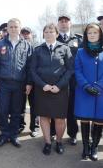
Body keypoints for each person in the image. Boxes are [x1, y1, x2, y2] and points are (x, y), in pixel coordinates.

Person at [0, 18, 32, 148]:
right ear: (7, 29)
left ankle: (13, 135)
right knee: (2, 110)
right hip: (3, 84)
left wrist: (29, 83)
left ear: (20, 28)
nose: (13, 29)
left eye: (15, 27)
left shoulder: (27, 45)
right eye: (11, 27)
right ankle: (4, 134)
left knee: (16, 111)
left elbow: (30, 66)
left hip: (19, 85)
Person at [31, 23, 73, 155]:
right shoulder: (37, 50)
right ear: (43, 34)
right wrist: (43, 85)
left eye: (51, 31)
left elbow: (70, 69)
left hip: (60, 90)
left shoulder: (65, 48)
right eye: (46, 32)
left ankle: (59, 141)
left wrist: (59, 86)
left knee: (60, 118)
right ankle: (48, 142)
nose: (49, 34)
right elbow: (32, 70)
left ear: (56, 33)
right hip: (42, 89)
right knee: (44, 117)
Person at [50, 15, 82, 145]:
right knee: (54, 107)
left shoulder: (79, 40)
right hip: (56, 80)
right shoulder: (53, 38)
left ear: (70, 23)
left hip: (73, 80)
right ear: (58, 24)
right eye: (61, 21)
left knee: (71, 108)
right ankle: (52, 132)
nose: (63, 24)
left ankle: (73, 133)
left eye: (66, 21)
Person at [74, 23, 103, 161]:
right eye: (89, 33)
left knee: (99, 120)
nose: (92, 35)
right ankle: (85, 147)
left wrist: (98, 86)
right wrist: (86, 86)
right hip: (84, 91)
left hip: (101, 92)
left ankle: (94, 147)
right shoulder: (80, 52)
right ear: (86, 35)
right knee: (84, 119)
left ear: (100, 34)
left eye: (95, 33)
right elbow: (77, 70)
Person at [19, 27, 40, 137]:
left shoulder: (37, 47)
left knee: (34, 106)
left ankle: (35, 127)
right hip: (20, 82)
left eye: (27, 33)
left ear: (31, 34)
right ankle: (20, 125)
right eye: (23, 34)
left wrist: (31, 82)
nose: (26, 35)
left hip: (34, 82)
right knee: (20, 105)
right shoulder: (18, 47)